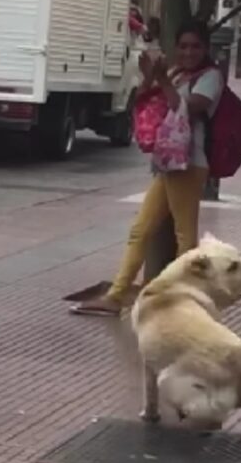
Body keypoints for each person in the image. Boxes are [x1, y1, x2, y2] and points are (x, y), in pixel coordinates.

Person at [72, 20, 224, 316]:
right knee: (141, 230)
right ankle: (116, 296)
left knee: (185, 237)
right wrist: (149, 77)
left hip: (190, 163)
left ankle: (186, 300)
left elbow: (186, 107)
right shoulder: (178, 73)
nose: (188, 52)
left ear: (205, 48)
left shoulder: (211, 77)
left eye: (195, 46)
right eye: (183, 46)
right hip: (167, 162)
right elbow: (144, 100)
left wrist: (163, 81)